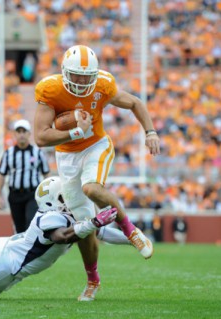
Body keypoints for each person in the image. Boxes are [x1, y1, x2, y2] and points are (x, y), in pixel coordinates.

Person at [34, 45, 160, 300]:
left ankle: (130, 230)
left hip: (96, 146)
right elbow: (40, 136)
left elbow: (134, 102)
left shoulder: (103, 84)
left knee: (91, 187)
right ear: (64, 72)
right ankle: (93, 280)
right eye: (76, 75)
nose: (81, 81)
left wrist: (150, 131)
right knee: (84, 227)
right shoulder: (50, 89)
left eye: (86, 75)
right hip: (67, 155)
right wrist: (73, 132)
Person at [0, 119, 51, 233]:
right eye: (18, 131)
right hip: (15, 195)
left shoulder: (37, 153)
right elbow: (1, 174)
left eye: (24, 131)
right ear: (15, 134)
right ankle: (23, 250)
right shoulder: (8, 153)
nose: (21, 134)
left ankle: (31, 248)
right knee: (19, 228)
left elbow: (46, 173)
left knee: (31, 223)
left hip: (32, 194)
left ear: (29, 134)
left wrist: (49, 194)